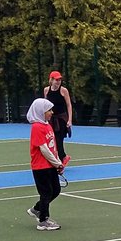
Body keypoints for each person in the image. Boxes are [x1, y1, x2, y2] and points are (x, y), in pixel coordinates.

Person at [27, 97, 65, 231]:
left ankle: (37, 209)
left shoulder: (47, 125)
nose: (51, 112)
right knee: (46, 192)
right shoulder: (36, 127)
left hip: (50, 165)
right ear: (41, 111)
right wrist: (57, 164)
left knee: (56, 190)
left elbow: (52, 148)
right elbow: (44, 149)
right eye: (49, 110)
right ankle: (43, 221)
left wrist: (58, 162)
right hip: (40, 167)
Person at [43, 71, 73, 160]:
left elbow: (69, 105)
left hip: (61, 119)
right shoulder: (46, 90)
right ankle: (57, 159)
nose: (58, 81)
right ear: (51, 80)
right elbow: (45, 105)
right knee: (51, 140)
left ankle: (63, 157)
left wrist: (69, 120)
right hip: (51, 119)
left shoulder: (63, 90)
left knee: (59, 141)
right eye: (56, 80)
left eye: (60, 79)